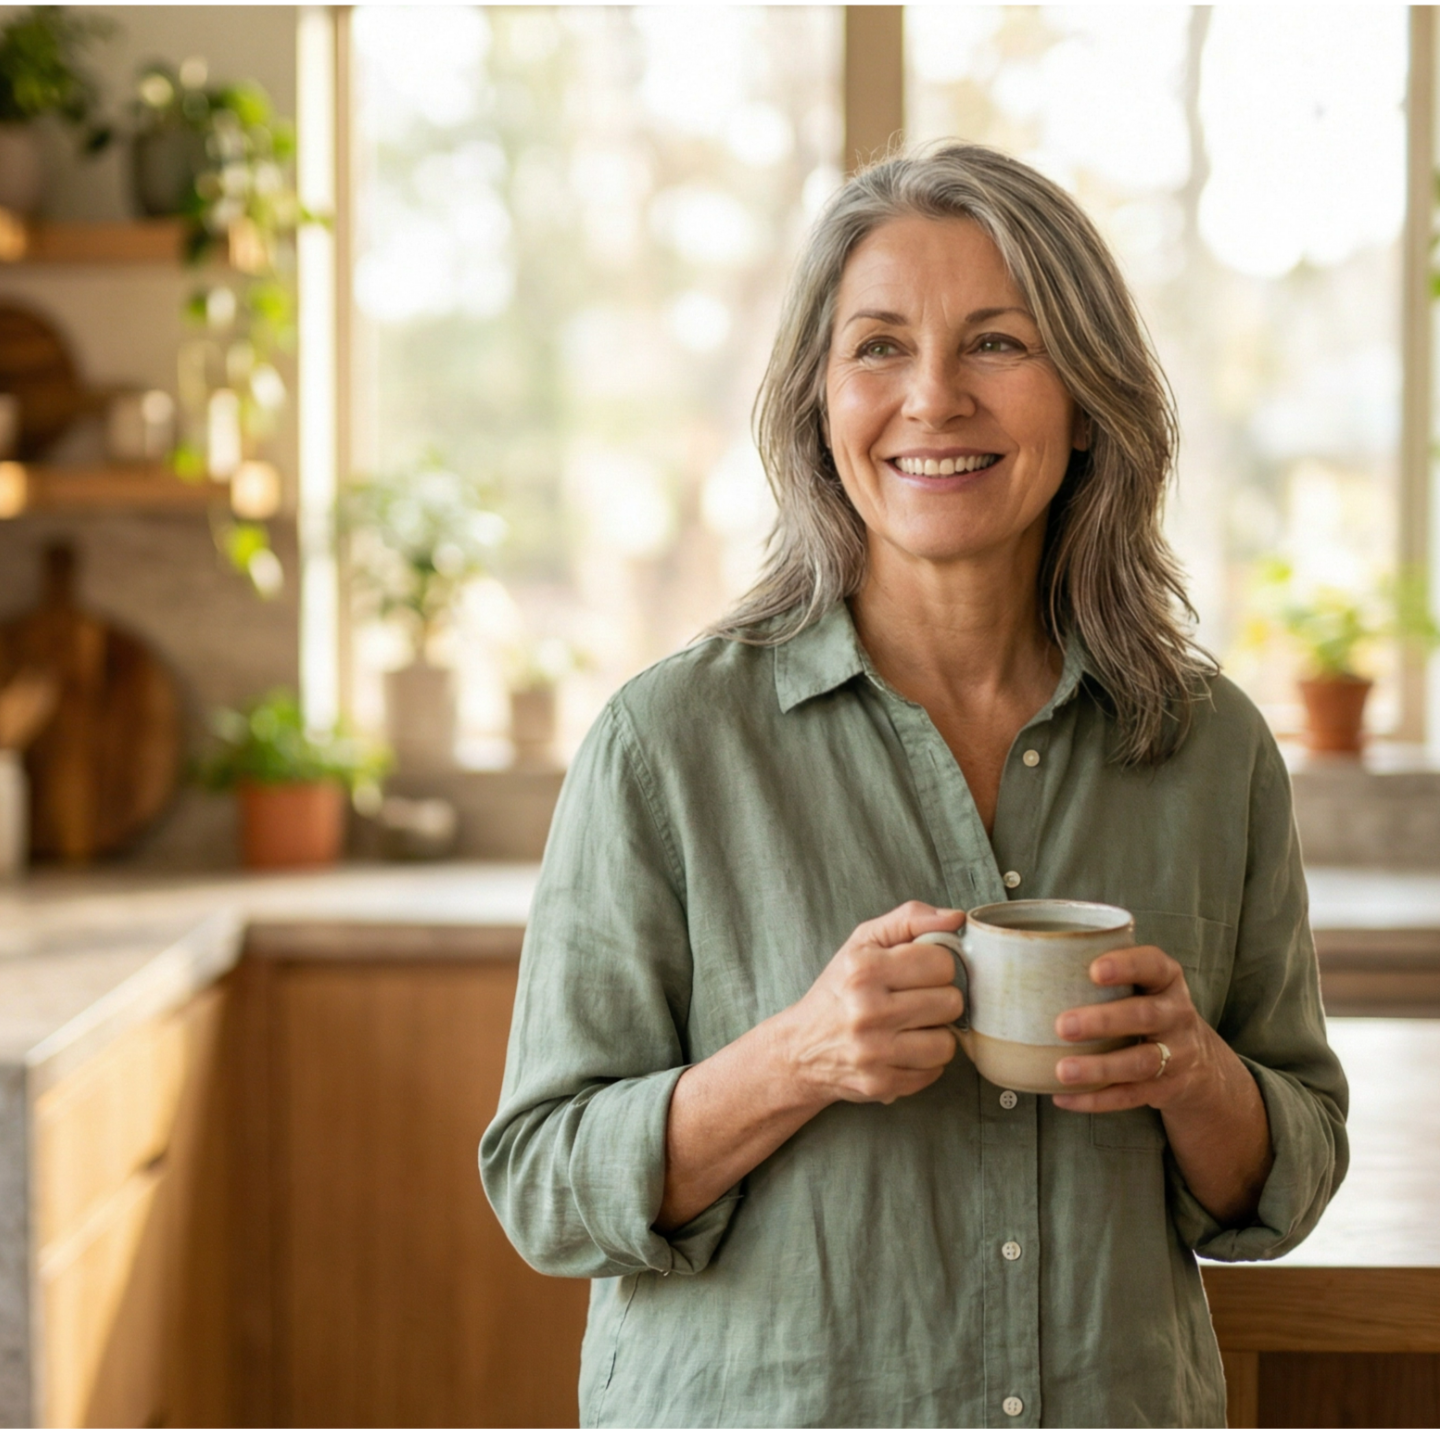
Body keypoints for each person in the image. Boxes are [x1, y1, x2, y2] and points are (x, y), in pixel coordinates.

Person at [478, 142, 1349, 1428]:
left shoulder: (1207, 746)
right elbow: (543, 1185)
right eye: (878, 346)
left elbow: (1295, 1162)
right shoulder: (668, 742)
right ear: (820, 405)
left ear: (1086, 393)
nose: (932, 399)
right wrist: (798, 1055)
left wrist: (1191, 1071)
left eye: (997, 343)